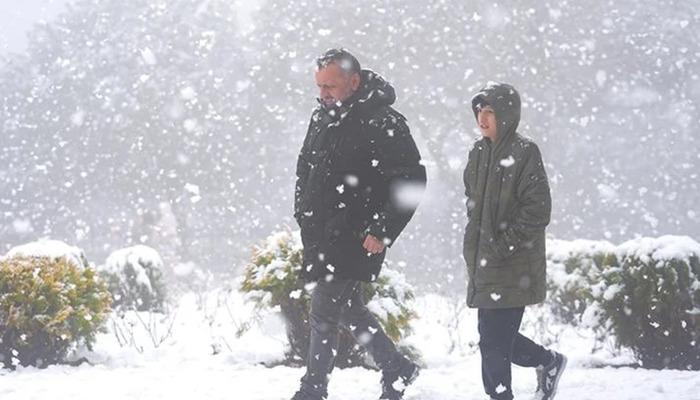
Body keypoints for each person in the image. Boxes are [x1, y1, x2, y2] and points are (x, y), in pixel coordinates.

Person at [291, 48, 426, 400]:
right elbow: (304, 169)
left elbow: (410, 180)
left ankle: (313, 390)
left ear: (353, 81)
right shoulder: (321, 118)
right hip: (321, 233)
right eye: (319, 86)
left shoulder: (383, 121)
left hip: (358, 235)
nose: (323, 94)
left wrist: (382, 229)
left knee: (323, 309)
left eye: (330, 86)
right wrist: (302, 212)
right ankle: (397, 367)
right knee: (350, 309)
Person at [462, 82, 566, 400]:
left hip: (513, 265)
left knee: (494, 343)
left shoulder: (524, 153)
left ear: (506, 115)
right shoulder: (478, 153)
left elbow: (538, 209)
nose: (483, 118)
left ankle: (503, 394)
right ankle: (549, 361)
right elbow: (472, 200)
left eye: (490, 111)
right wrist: (477, 244)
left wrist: (504, 243)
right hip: (484, 263)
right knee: (494, 340)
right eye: (480, 111)